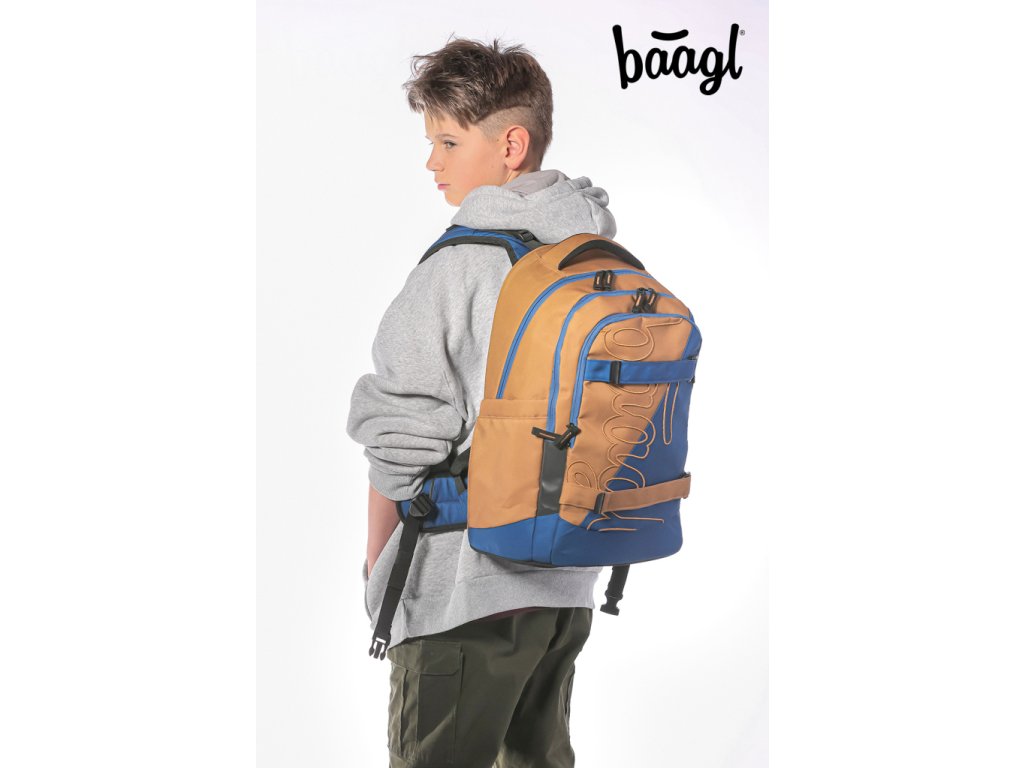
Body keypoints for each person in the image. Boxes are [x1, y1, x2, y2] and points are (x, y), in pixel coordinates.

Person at [346, 34, 618, 768]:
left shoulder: (461, 265)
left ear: (511, 146)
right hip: (565, 584)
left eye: (447, 141)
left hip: (463, 589)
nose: (432, 162)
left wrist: (379, 567)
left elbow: (399, 433)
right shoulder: (593, 257)